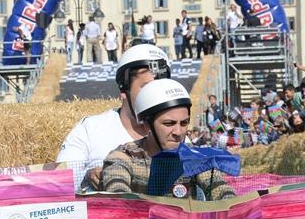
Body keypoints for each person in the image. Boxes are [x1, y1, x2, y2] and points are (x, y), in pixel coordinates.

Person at [99, 79, 235, 200]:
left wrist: (230, 203)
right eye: (169, 124)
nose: (178, 132)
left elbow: (221, 189)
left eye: (184, 123)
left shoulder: (193, 157)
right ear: (147, 124)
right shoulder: (124, 156)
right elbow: (118, 194)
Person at [56, 43, 171, 186]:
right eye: (146, 88)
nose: (155, 96)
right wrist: (87, 177)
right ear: (124, 90)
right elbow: (60, 182)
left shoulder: (176, 132)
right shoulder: (90, 129)